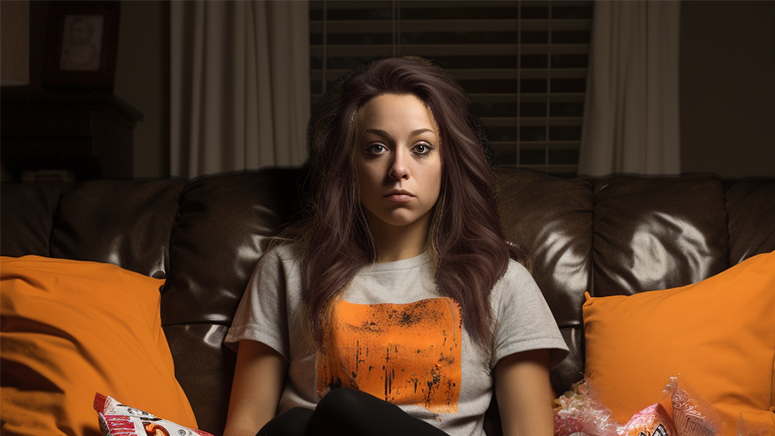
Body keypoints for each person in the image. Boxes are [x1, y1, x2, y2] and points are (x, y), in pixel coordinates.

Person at [222, 56, 568, 436]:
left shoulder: (501, 279)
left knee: (339, 407)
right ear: (349, 165)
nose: (399, 168)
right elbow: (246, 424)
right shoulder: (286, 269)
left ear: (448, 162)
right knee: (291, 428)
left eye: (421, 148)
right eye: (376, 148)